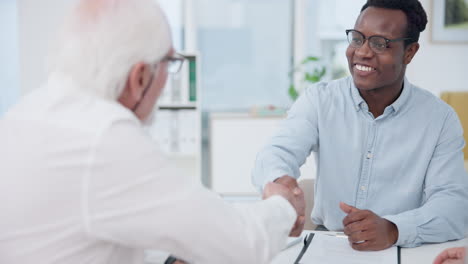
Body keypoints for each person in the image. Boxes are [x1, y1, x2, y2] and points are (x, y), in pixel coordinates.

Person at [0, 0, 305, 263]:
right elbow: (243, 244)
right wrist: (281, 204)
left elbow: (88, 234)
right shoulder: (104, 136)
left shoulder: (26, 112)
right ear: (140, 77)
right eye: (169, 63)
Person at [252, 0, 468, 251]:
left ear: (409, 52)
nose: (362, 52)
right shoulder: (320, 100)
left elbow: (454, 206)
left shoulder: (439, 119)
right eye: (357, 38)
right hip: (328, 244)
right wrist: (279, 183)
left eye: (379, 43)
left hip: (402, 247)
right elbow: (277, 152)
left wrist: (394, 228)